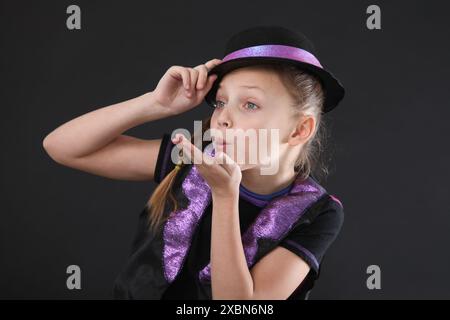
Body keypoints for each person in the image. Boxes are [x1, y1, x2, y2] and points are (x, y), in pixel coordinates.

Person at [43, 25, 345, 300]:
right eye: (221, 102)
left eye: (250, 104)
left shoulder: (318, 213)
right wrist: (154, 104)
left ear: (299, 129)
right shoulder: (191, 158)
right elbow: (61, 147)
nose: (223, 118)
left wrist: (225, 197)